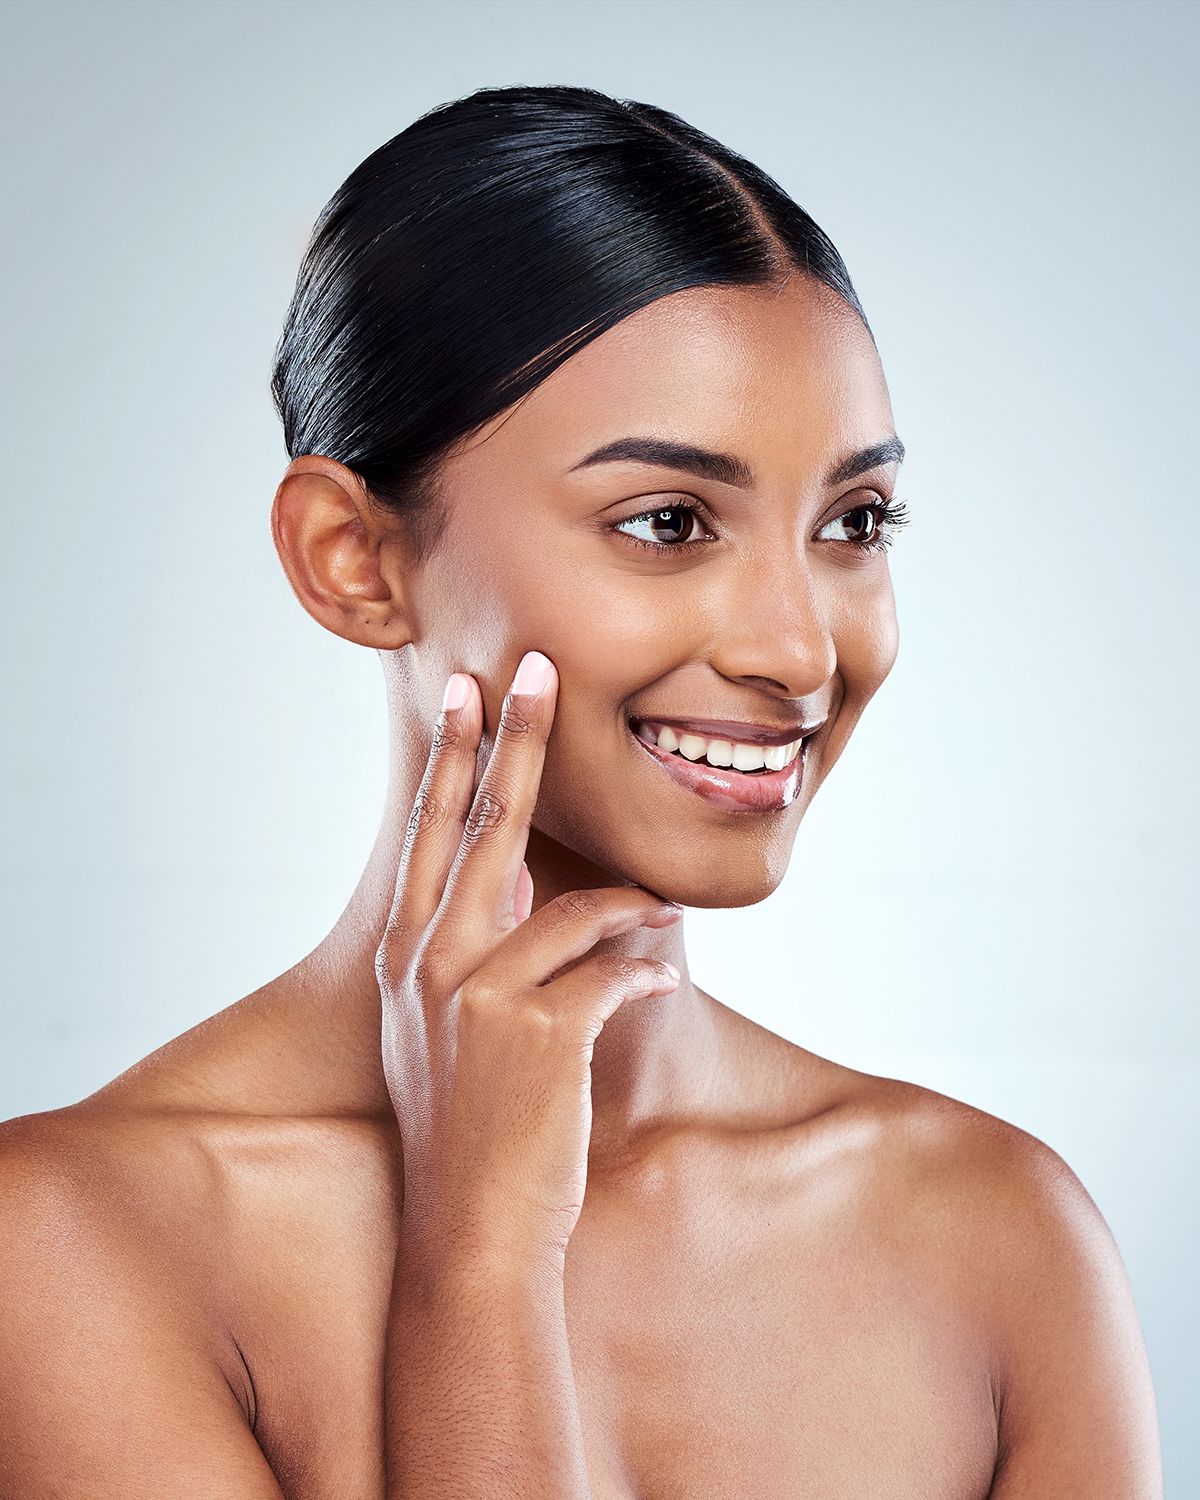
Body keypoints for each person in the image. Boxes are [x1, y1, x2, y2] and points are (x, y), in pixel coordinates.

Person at [0, 84, 1162, 1498]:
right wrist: (481, 1258)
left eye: (853, 523)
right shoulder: (70, 1246)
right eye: (668, 523)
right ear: (353, 561)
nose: (799, 649)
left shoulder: (1000, 1238)